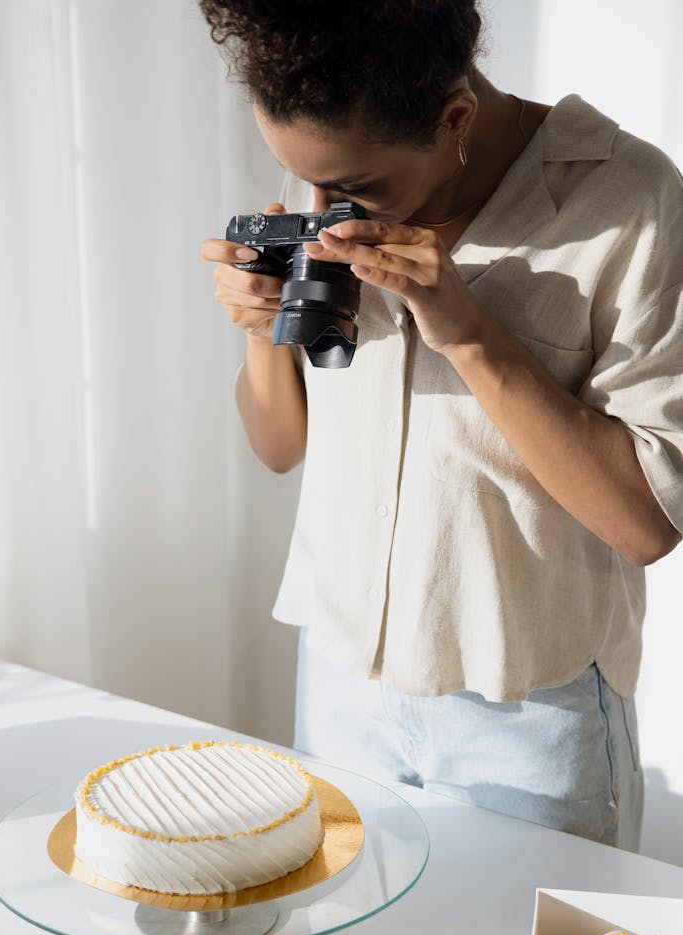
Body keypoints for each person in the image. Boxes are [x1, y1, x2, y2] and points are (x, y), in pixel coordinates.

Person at [199, 0, 683, 850]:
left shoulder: (629, 198)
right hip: (342, 681)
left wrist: (465, 331)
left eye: (350, 188)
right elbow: (279, 448)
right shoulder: (333, 163)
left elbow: (646, 521)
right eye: (300, 175)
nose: (322, 203)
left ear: (454, 117)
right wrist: (260, 332)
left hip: (532, 709)